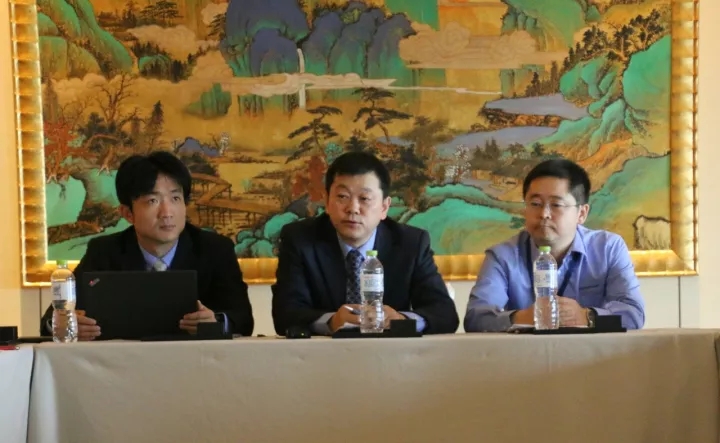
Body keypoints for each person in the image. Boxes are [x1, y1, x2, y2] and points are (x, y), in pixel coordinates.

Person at [40, 151, 254, 339]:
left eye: (175, 198)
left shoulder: (215, 250)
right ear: (127, 213)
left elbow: (243, 321)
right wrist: (67, 325)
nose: (167, 212)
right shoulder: (104, 252)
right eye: (153, 201)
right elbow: (50, 321)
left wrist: (215, 322)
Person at [271, 151, 459, 335]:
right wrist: (331, 321)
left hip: (391, 352)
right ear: (327, 201)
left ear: (384, 207)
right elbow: (285, 315)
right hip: (323, 352)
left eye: (365, 199)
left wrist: (401, 319)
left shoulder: (411, 243)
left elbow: (445, 315)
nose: (353, 208)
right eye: (342, 196)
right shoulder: (300, 239)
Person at [464, 158, 645, 332]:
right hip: (527, 352)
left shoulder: (608, 249)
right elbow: (476, 318)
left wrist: (586, 316)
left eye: (556, 204)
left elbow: (633, 314)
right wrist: (524, 318)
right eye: (535, 204)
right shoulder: (503, 255)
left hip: (592, 352)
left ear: (582, 213)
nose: (544, 214)